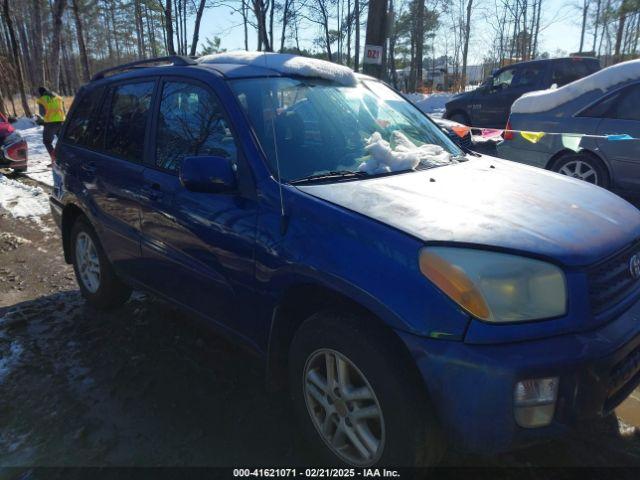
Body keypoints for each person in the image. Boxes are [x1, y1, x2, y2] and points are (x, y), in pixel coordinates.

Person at [36, 86, 66, 166]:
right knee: (63, 141)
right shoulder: (58, 97)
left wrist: (41, 120)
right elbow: (63, 109)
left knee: (47, 142)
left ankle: (55, 161)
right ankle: (65, 159)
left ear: (40, 93)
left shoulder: (42, 100)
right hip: (62, 121)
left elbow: (42, 113)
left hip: (50, 123)